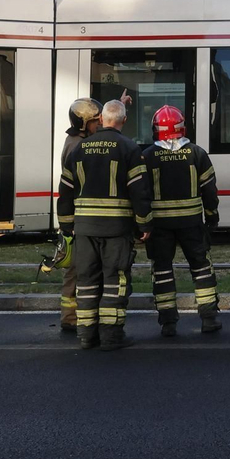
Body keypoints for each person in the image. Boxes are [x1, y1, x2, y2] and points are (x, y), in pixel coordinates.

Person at [59, 99, 152, 351]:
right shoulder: (129, 148)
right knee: (115, 281)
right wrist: (144, 224)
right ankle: (111, 337)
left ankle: (86, 336)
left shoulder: (79, 148)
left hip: (84, 229)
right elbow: (139, 192)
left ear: (101, 119)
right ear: (124, 120)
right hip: (116, 229)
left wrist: (67, 226)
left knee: (87, 281)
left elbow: (65, 191)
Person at [141, 105, 222, 337]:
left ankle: (168, 323)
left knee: (162, 271)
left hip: (160, 226)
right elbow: (209, 190)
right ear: (182, 127)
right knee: (201, 267)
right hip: (191, 224)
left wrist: (142, 223)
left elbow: (141, 193)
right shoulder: (197, 153)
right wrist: (212, 216)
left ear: (156, 128)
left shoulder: (147, 156)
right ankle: (209, 318)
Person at [54, 98, 103, 335]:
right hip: (77, 218)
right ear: (83, 123)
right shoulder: (77, 146)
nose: (99, 124)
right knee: (76, 270)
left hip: (76, 217)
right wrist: (68, 226)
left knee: (76, 270)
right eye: (95, 121)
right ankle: (71, 317)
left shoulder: (76, 140)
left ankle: (71, 315)